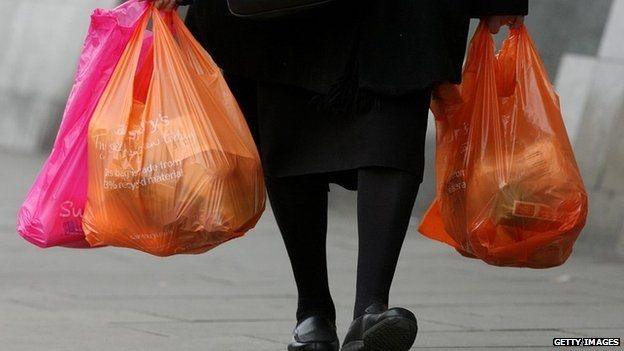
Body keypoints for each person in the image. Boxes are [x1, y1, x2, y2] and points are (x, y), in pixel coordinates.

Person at [150, 1, 528, 350]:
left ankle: (368, 310)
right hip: (281, 15)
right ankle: (313, 309)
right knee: (287, 127)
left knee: (392, 127)